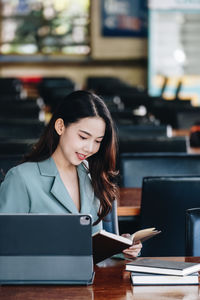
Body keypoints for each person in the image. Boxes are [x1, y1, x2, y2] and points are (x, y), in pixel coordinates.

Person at [0, 90, 142, 259]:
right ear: (60, 126)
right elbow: (5, 246)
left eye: (97, 141)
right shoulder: (21, 178)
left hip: (85, 280)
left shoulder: (90, 175)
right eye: (83, 137)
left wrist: (120, 247)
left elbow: (93, 245)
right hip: (37, 281)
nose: (89, 148)